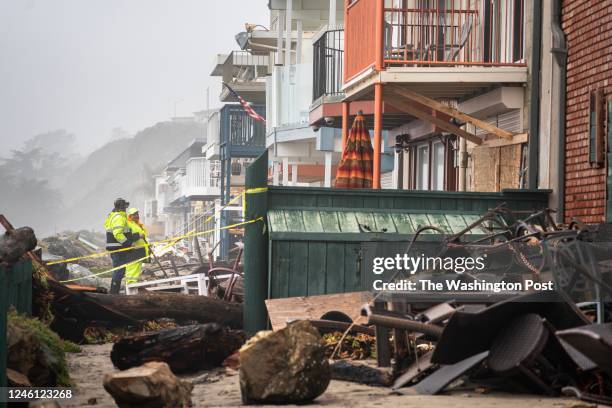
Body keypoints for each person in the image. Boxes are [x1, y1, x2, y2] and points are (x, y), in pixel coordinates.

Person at [104, 198, 133, 294]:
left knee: (118, 270)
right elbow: (117, 234)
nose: (126, 208)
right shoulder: (119, 217)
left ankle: (114, 291)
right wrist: (127, 243)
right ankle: (114, 292)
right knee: (119, 271)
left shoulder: (114, 216)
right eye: (125, 206)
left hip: (116, 248)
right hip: (119, 249)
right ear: (122, 207)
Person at [124, 207, 149, 286]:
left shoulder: (136, 224)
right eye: (134, 214)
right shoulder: (128, 224)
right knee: (132, 270)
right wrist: (138, 235)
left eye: (137, 214)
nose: (137, 216)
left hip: (139, 251)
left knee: (136, 271)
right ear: (130, 216)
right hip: (133, 251)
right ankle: (130, 286)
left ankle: (133, 286)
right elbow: (127, 237)